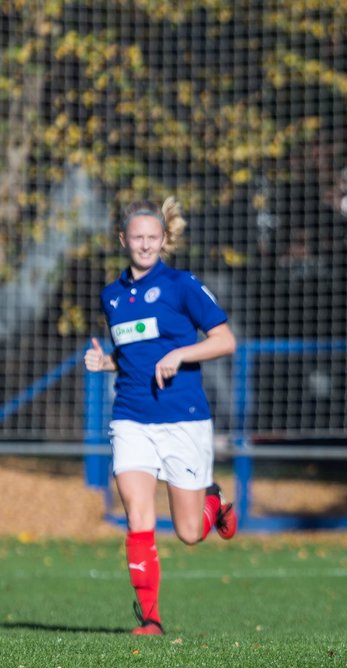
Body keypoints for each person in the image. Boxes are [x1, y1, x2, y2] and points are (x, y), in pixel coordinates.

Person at [83, 197, 238, 636]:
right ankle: (150, 619)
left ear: (164, 240)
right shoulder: (111, 295)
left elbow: (225, 341)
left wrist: (181, 353)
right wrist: (107, 364)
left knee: (189, 533)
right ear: (123, 240)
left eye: (153, 238)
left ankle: (216, 501)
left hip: (183, 418)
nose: (145, 245)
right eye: (138, 238)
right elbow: (134, 354)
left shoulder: (182, 284)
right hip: (131, 416)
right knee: (138, 515)